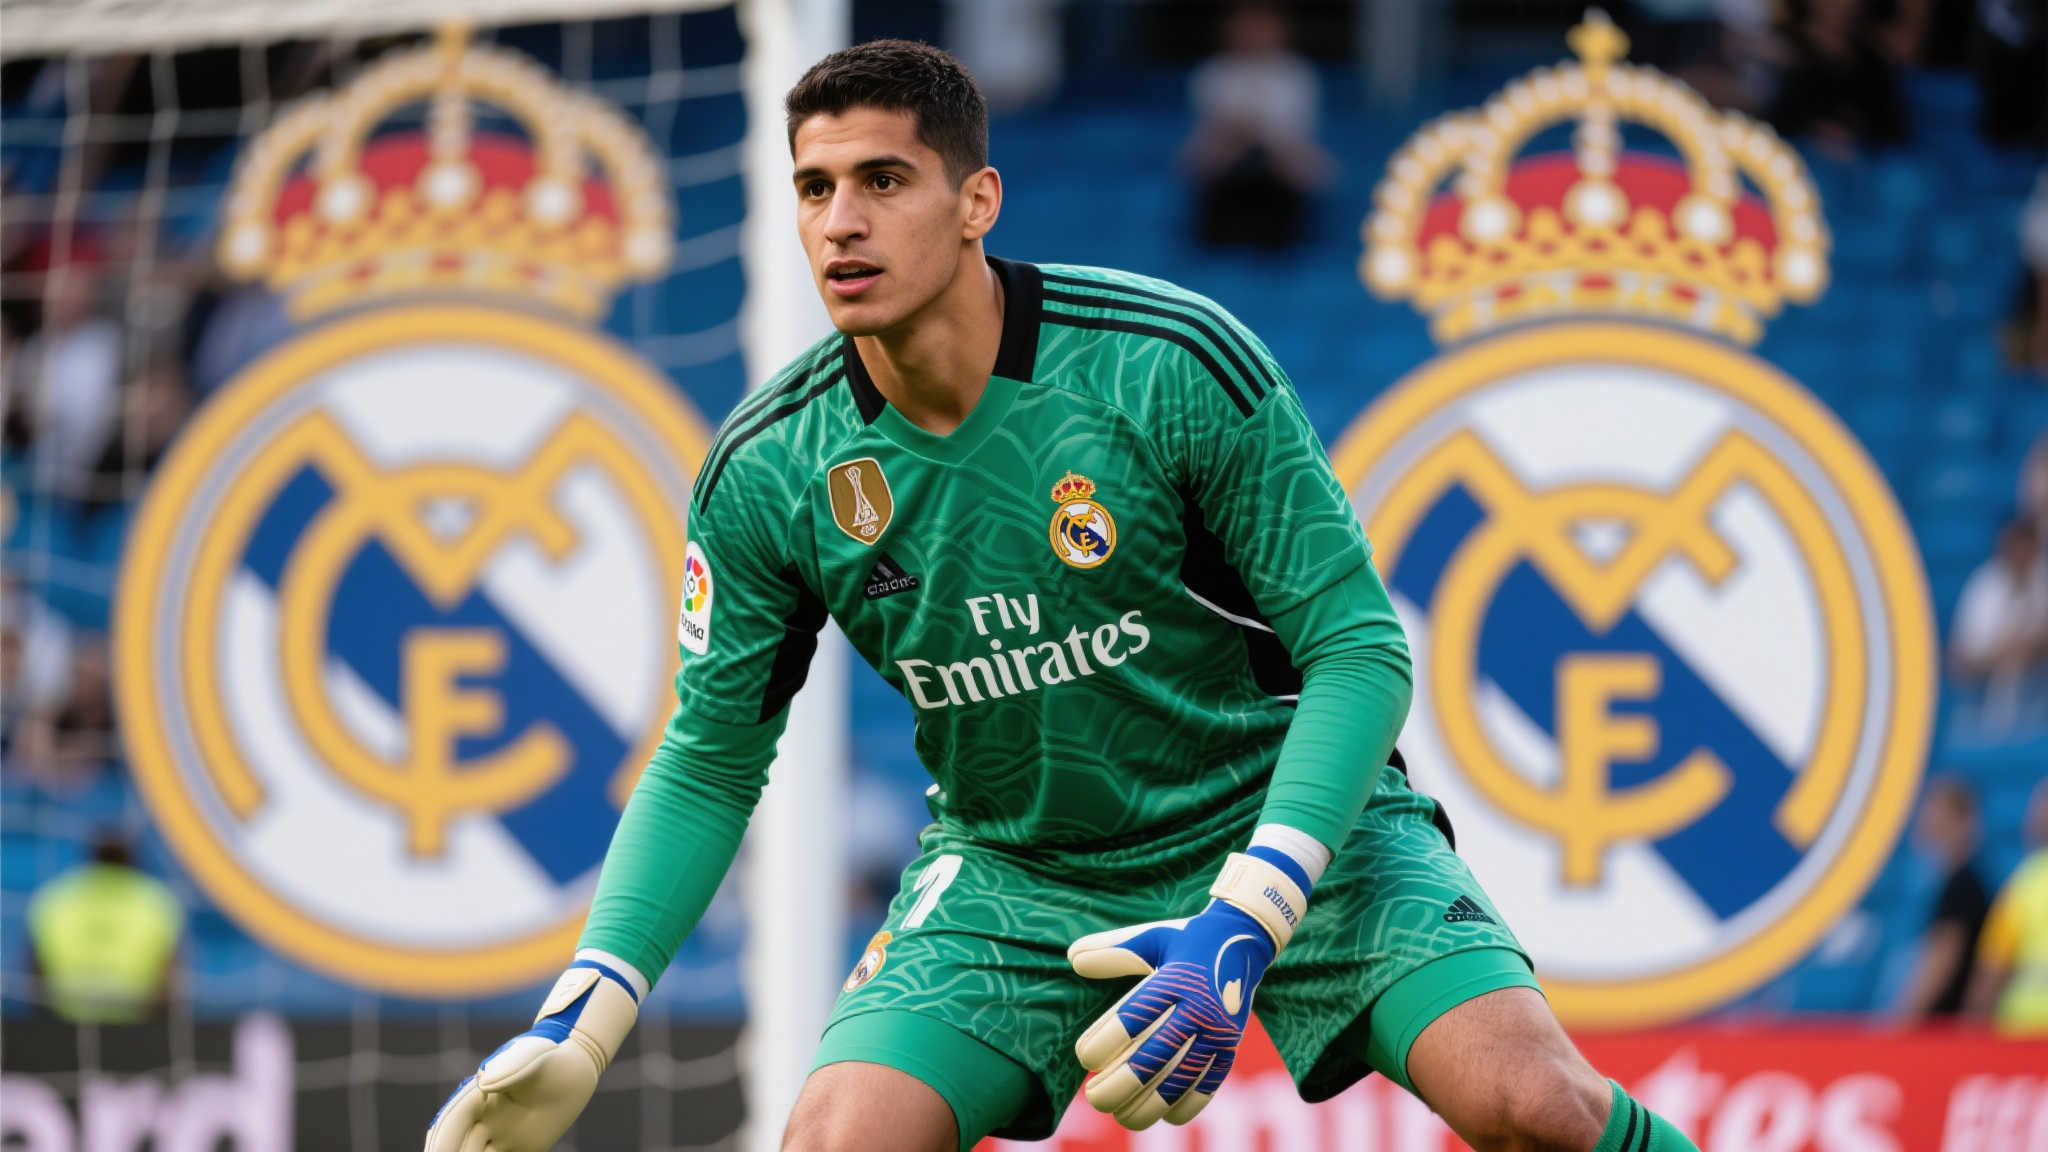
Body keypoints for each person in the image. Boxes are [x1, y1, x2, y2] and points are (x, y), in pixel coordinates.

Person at [426, 41, 1700, 1152]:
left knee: (1535, 1105)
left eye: (882, 181)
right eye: (815, 188)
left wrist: (1252, 908)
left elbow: (1359, 651)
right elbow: (709, 758)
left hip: (1286, 826)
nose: (840, 224)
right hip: (1014, 873)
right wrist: (586, 1014)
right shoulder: (771, 468)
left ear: (975, 200)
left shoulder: (1166, 363)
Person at [1181, 1, 1330, 251]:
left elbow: (1292, 133)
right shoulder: (1211, 73)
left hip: (1280, 159)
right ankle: (1212, 243)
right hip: (1228, 157)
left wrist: (1260, 135)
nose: (1255, 34)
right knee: (1202, 159)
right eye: (1248, 26)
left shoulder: (1298, 75)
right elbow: (1218, 128)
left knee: (1306, 167)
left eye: (1263, 26)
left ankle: (1288, 243)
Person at [26, 827, 183, 1024]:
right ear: (133, 859)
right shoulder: (157, 900)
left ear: (89, 857)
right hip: (136, 1016)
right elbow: (170, 976)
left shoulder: (55, 897)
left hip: (67, 1015)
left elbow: (33, 971)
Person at [1892, 776, 1992, 1024]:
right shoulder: (1952, 882)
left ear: (1960, 821)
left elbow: (1943, 959)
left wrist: (1902, 1022)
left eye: (1935, 814)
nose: (1925, 822)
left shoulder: (1963, 885)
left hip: (1943, 1029)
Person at [1949, 515, 2048, 730]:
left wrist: (2030, 646)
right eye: (2017, 548)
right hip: (1983, 696)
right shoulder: (1983, 588)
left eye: (2028, 549)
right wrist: (2005, 652)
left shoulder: (2042, 583)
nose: (2022, 556)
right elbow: (1960, 660)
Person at [1969, 777, 2048, 1033]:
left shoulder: (2027, 881)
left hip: (2023, 1030)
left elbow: (1994, 965)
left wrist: (1973, 1029)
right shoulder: (2027, 879)